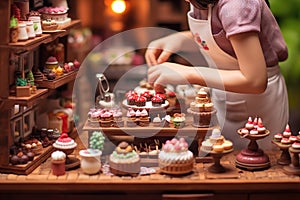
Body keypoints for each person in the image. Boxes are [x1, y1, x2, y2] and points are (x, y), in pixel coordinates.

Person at [145, 0, 289, 149]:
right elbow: (223, 38)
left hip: (259, 104)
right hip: (224, 95)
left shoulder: (237, 5)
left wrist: (188, 73)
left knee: (256, 159)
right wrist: (180, 39)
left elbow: (255, 81)